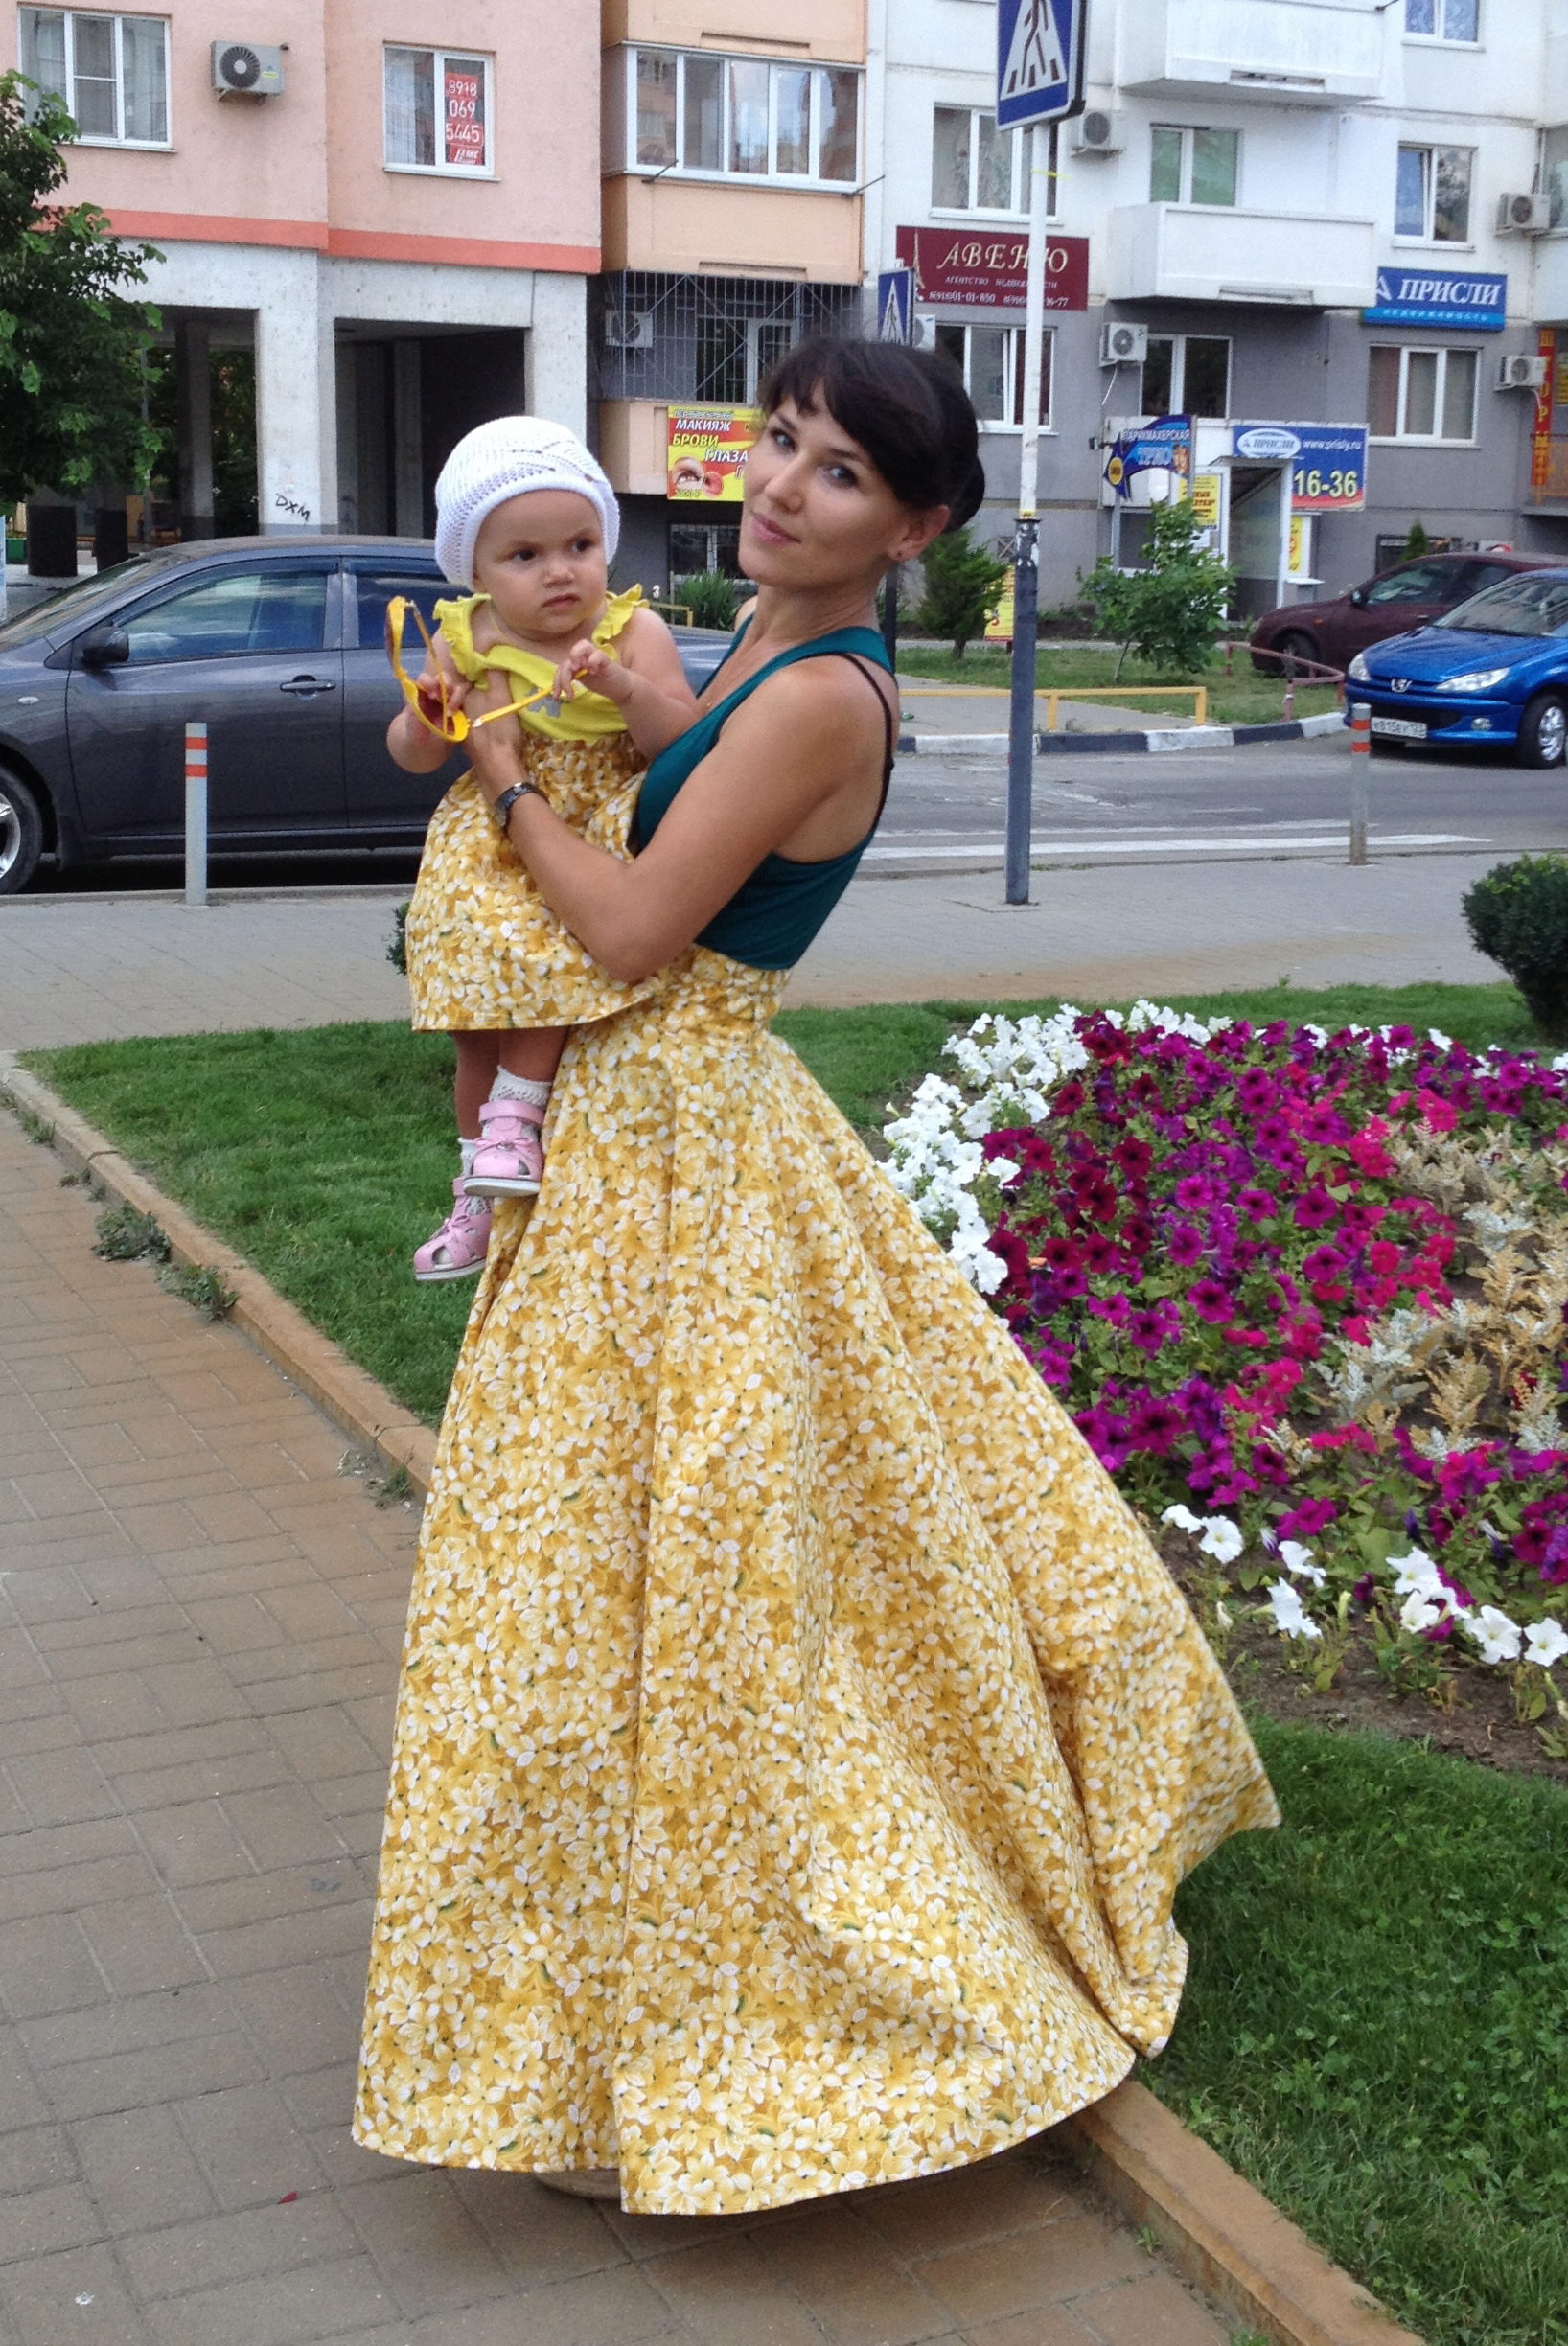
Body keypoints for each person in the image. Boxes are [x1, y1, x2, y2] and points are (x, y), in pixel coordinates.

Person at [355, 338, 1278, 2216]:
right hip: (648, 1142)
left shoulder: (818, 693)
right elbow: (661, 803)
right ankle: (595, 2024)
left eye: (840, 470)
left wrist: (504, 778)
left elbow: (628, 930)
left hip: (680, 1152)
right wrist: (605, 706)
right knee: (598, 1591)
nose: (782, 483)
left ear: (913, 527)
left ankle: (711, 2019)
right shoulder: (754, 650)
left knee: (656, 1592)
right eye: (780, 441)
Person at [394, 417, 699, 1281]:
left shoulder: (632, 632)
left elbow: (681, 740)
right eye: (525, 556)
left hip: (585, 830)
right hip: (489, 838)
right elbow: (413, 755)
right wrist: (428, 713)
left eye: (579, 545)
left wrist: (623, 686)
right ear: (478, 572)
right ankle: (476, 1191)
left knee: (544, 960)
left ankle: (516, 1120)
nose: (560, 571)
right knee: (473, 1019)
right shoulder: (470, 635)